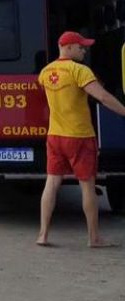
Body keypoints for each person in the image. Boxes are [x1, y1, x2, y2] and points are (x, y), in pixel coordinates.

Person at [37, 31, 125, 248]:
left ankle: (43, 235)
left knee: (52, 183)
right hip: (80, 136)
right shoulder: (79, 71)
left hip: (55, 135)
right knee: (87, 186)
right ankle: (94, 238)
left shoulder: (46, 72)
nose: (84, 50)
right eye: (80, 47)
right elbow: (103, 97)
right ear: (67, 47)